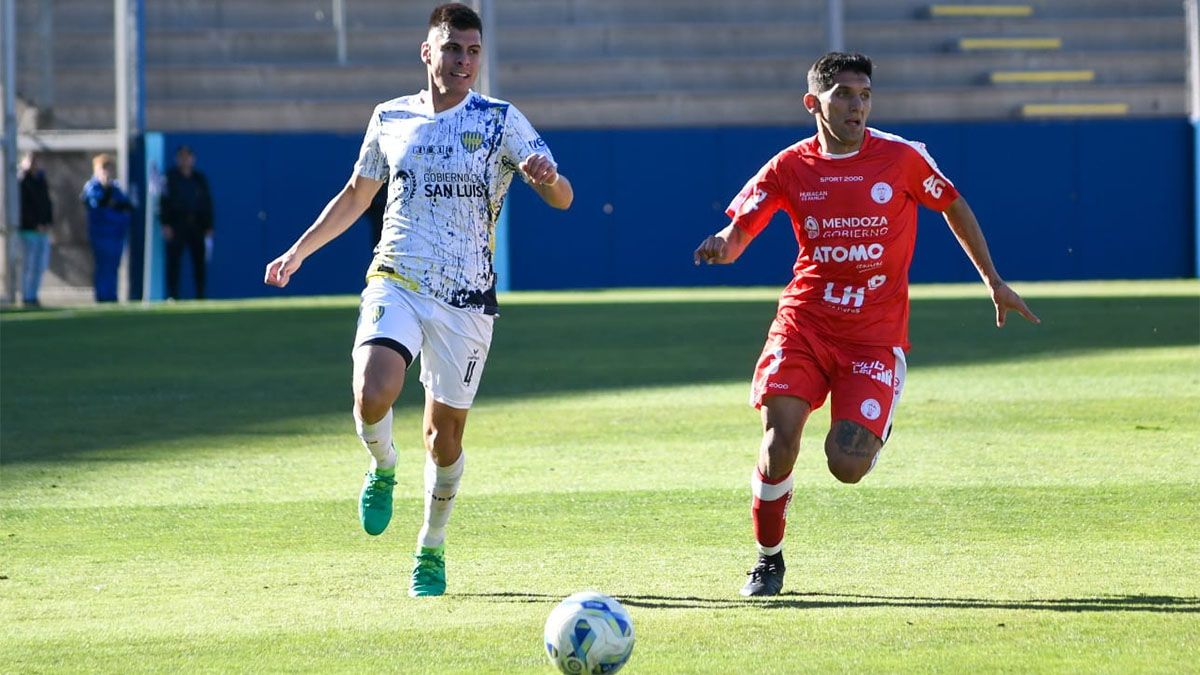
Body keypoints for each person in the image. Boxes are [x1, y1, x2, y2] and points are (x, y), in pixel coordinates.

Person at [693, 52, 1040, 597]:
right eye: (844, 96)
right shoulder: (789, 166)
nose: (857, 106)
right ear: (814, 104)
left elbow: (953, 205)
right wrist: (723, 245)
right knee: (780, 440)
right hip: (804, 323)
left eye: (865, 96)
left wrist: (993, 280)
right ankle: (767, 560)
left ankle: (875, 421)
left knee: (847, 465)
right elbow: (740, 231)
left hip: (874, 337)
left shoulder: (901, 158)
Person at [263, 3, 572, 598]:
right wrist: (299, 252)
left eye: (472, 51)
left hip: (466, 298)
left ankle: (430, 548)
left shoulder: (502, 121)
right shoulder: (390, 117)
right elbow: (357, 194)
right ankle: (382, 465)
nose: (462, 60)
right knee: (372, 390)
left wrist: (545, 180)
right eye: (452, 48)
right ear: (427, 52)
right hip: (396, 277)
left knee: (444, 438)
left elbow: (564, 197)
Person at [160, 145, 214, 299]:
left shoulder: (199, 178)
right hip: (177, 224)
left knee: (199, 262)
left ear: (192, 159)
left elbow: (207, 202)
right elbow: (163, 202)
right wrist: (166, 223)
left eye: (187, 157)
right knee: (174, 261)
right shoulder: (170, 177)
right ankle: (173, 295)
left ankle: (200, 295)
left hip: (197, 225)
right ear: (177, 159)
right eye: (181, 157)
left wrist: (209, 225)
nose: (184, 160)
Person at [81, 154, 133, 303]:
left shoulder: (115, 188)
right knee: (103, 266)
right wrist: (111, 202)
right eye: (102, 169)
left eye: (108, 168)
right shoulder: (92, 187)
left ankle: (111, 295)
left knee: (113, 266)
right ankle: (102, 296)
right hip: (101, 234)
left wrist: (114, 203)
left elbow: (125, 206)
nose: (106, 172)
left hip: (116, 234)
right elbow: (98, 204)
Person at [18, 152, 54, 307]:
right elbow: (22, 208)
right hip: (28, 231)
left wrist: (47, 222)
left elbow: (47, 203)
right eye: (30, 160)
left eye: (35, 161)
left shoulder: (41, 180)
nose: (33, 164)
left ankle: (34, 295)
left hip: (43, 230)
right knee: (28, 265)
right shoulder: (21, 180)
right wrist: (34, 224)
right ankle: (26, 296)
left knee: (40, 265)